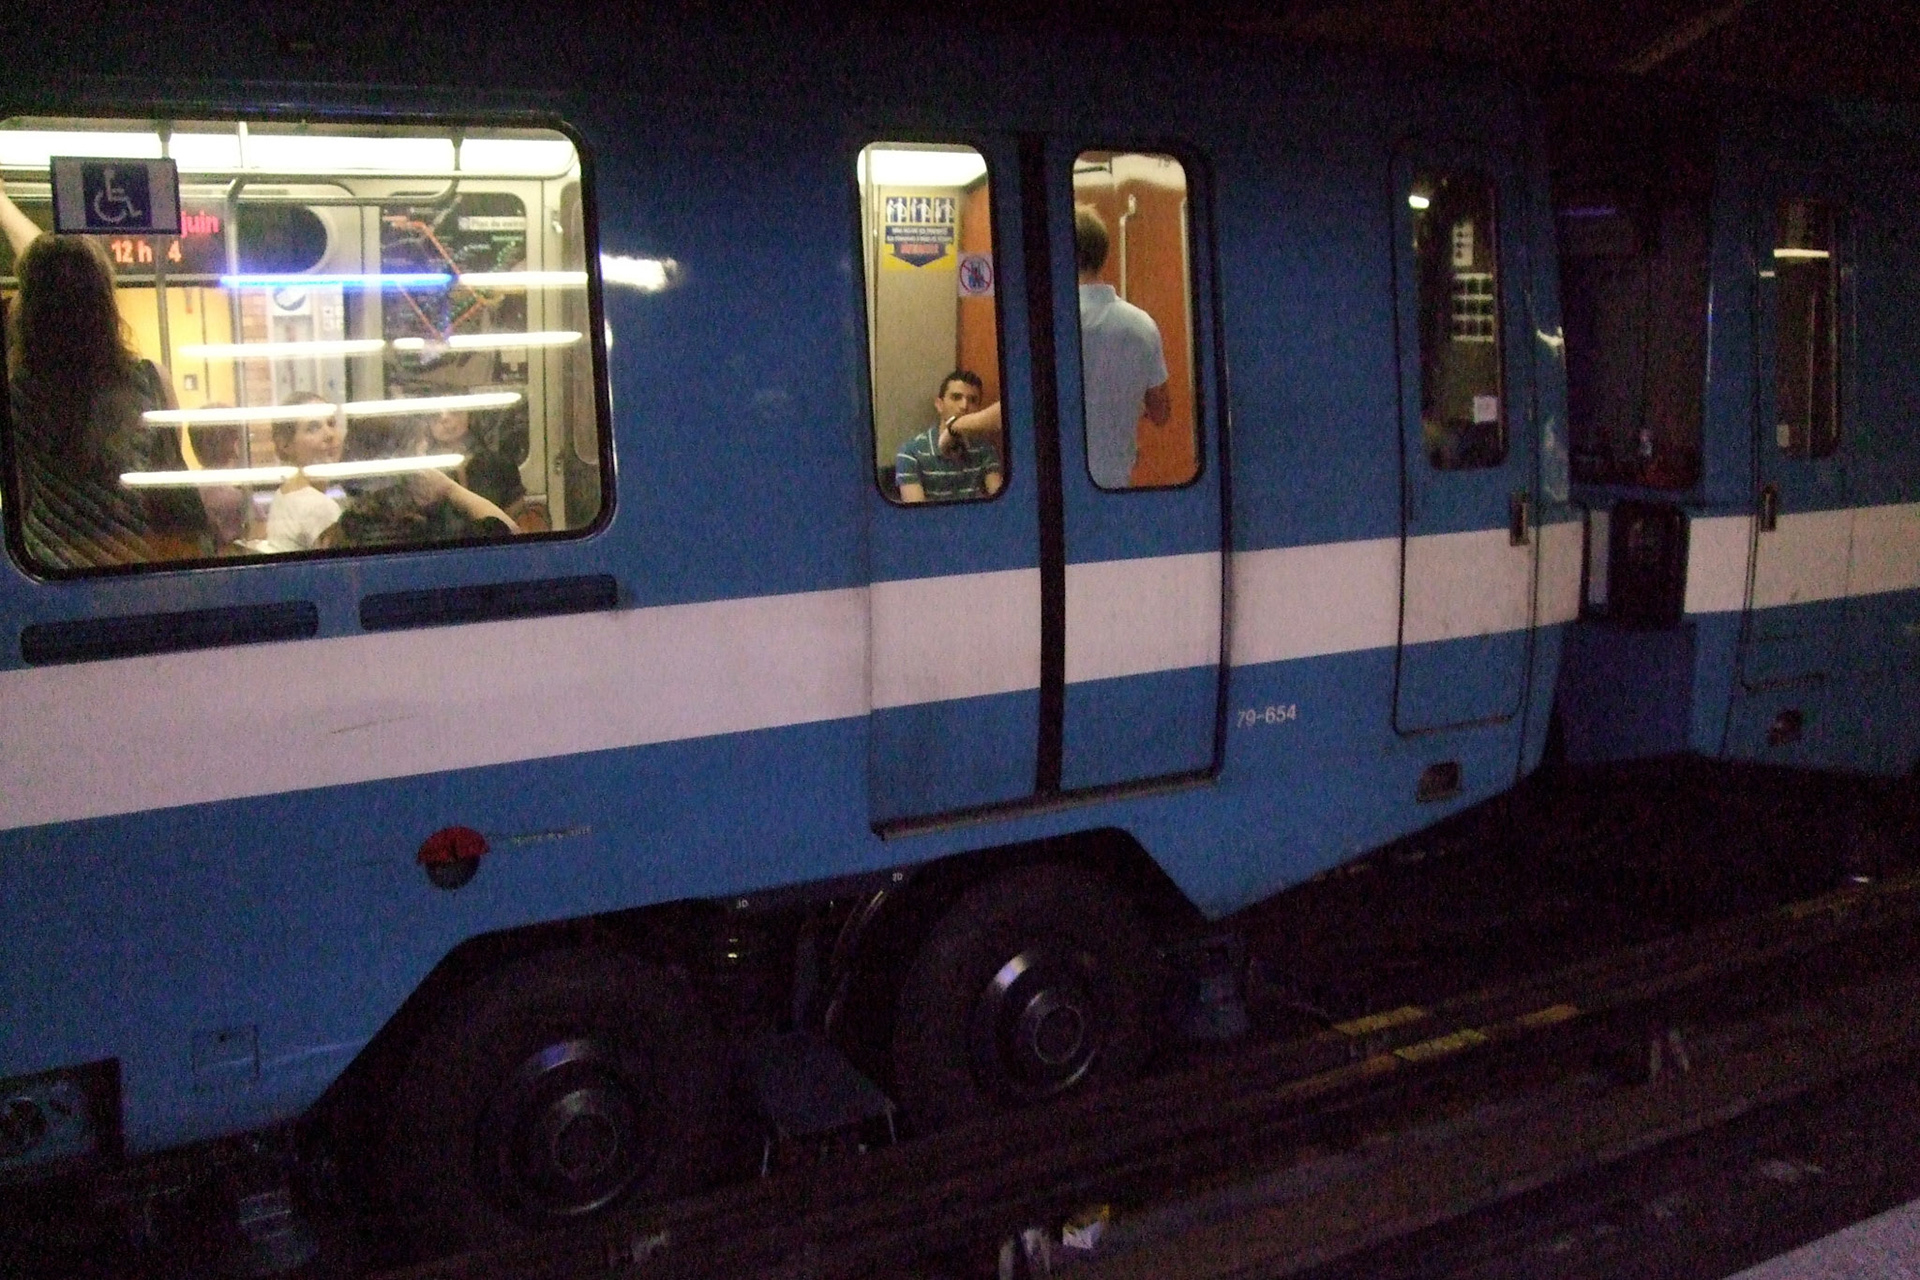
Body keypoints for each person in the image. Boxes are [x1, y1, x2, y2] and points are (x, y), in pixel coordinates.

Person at [5, 180, 208, 567]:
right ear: (105, 304)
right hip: (130, 555)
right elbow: (168, 475)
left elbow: (20, 489)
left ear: (28, 311)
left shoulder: (18, 397)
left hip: (46, 560)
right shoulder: (148, 382)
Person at [1074, 205, 1170, 489]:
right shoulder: (1142, 325)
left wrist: (956, 425)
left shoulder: (1049, 323)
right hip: (1117, 490)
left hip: (1062, 491)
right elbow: (1162, 413)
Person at [322, 414, 516, 547]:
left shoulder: (346, 528)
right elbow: (510, 532)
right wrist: (452, 490)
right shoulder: (435, 528)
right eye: (423, 454)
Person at [895, 370, 1003, 502]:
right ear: (939, 405)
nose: (964, 406)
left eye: (973, 400)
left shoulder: (984, 449)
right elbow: (917, 514)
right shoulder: (911, 452)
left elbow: (1000, 500)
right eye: (956, 397)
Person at [263, 393, 346, 552]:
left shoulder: (284, 494)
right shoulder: (319, 507)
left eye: (331, 423)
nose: (329, 434)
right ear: (285, 445)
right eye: (313, 428)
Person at [425, 405, 527, 519]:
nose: (445, 418)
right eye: (434, 415)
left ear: (469, 415)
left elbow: (515, 513)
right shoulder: (422, 469)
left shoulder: (497, 462)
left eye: (454, 411)